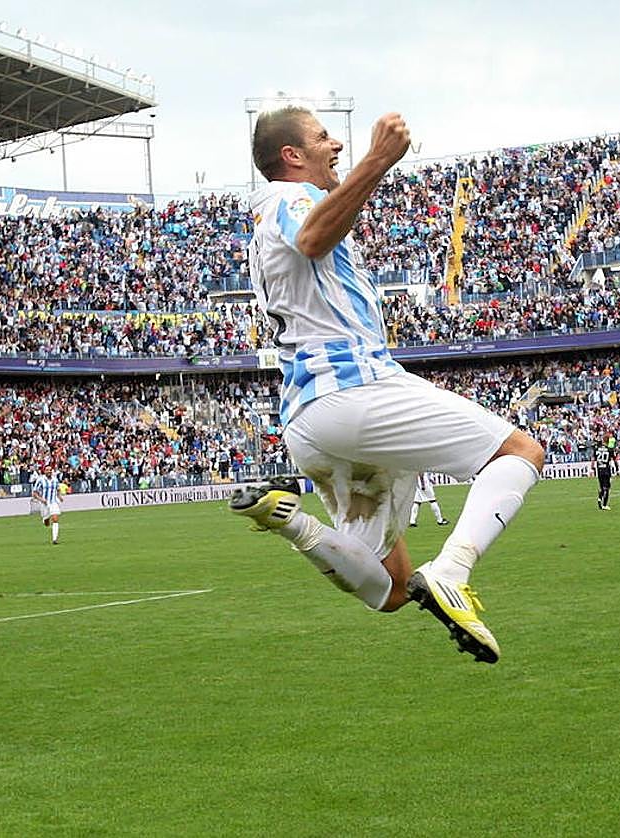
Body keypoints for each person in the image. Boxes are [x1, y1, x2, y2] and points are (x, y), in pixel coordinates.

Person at [230, 107, 545, 664]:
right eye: (323, 137)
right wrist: (379, 160)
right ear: (292, 156)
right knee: (519, 451)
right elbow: (312, 238)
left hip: (309, 420)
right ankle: (451, 571)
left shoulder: (265, 222)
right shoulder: (288, 197)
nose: (336, 146)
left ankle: (292, 521)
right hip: (352, 388)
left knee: (391, 588)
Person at [30, 464, 62, 545]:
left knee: (55, 518)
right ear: (44, 471)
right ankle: (45, 520)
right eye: (47, 470)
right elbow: (34, 493)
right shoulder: (40, 480)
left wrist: (59, 496)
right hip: (44, 503)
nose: (49, 471)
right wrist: (41, 499)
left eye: (50, 470)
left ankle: (55, 539)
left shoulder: (55, 480)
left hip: (53, 502)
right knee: (47, 522)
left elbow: (58, 489)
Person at [593, 440, 618, 510]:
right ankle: (604, 505)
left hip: (599, 470)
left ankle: (599, 498)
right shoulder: (609, 450)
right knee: (607, 488)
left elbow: (593, 459)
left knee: (601, 487)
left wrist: (592, 468)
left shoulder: (597, 449)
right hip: (606, 470)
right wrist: (617, 469)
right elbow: (615, 460)